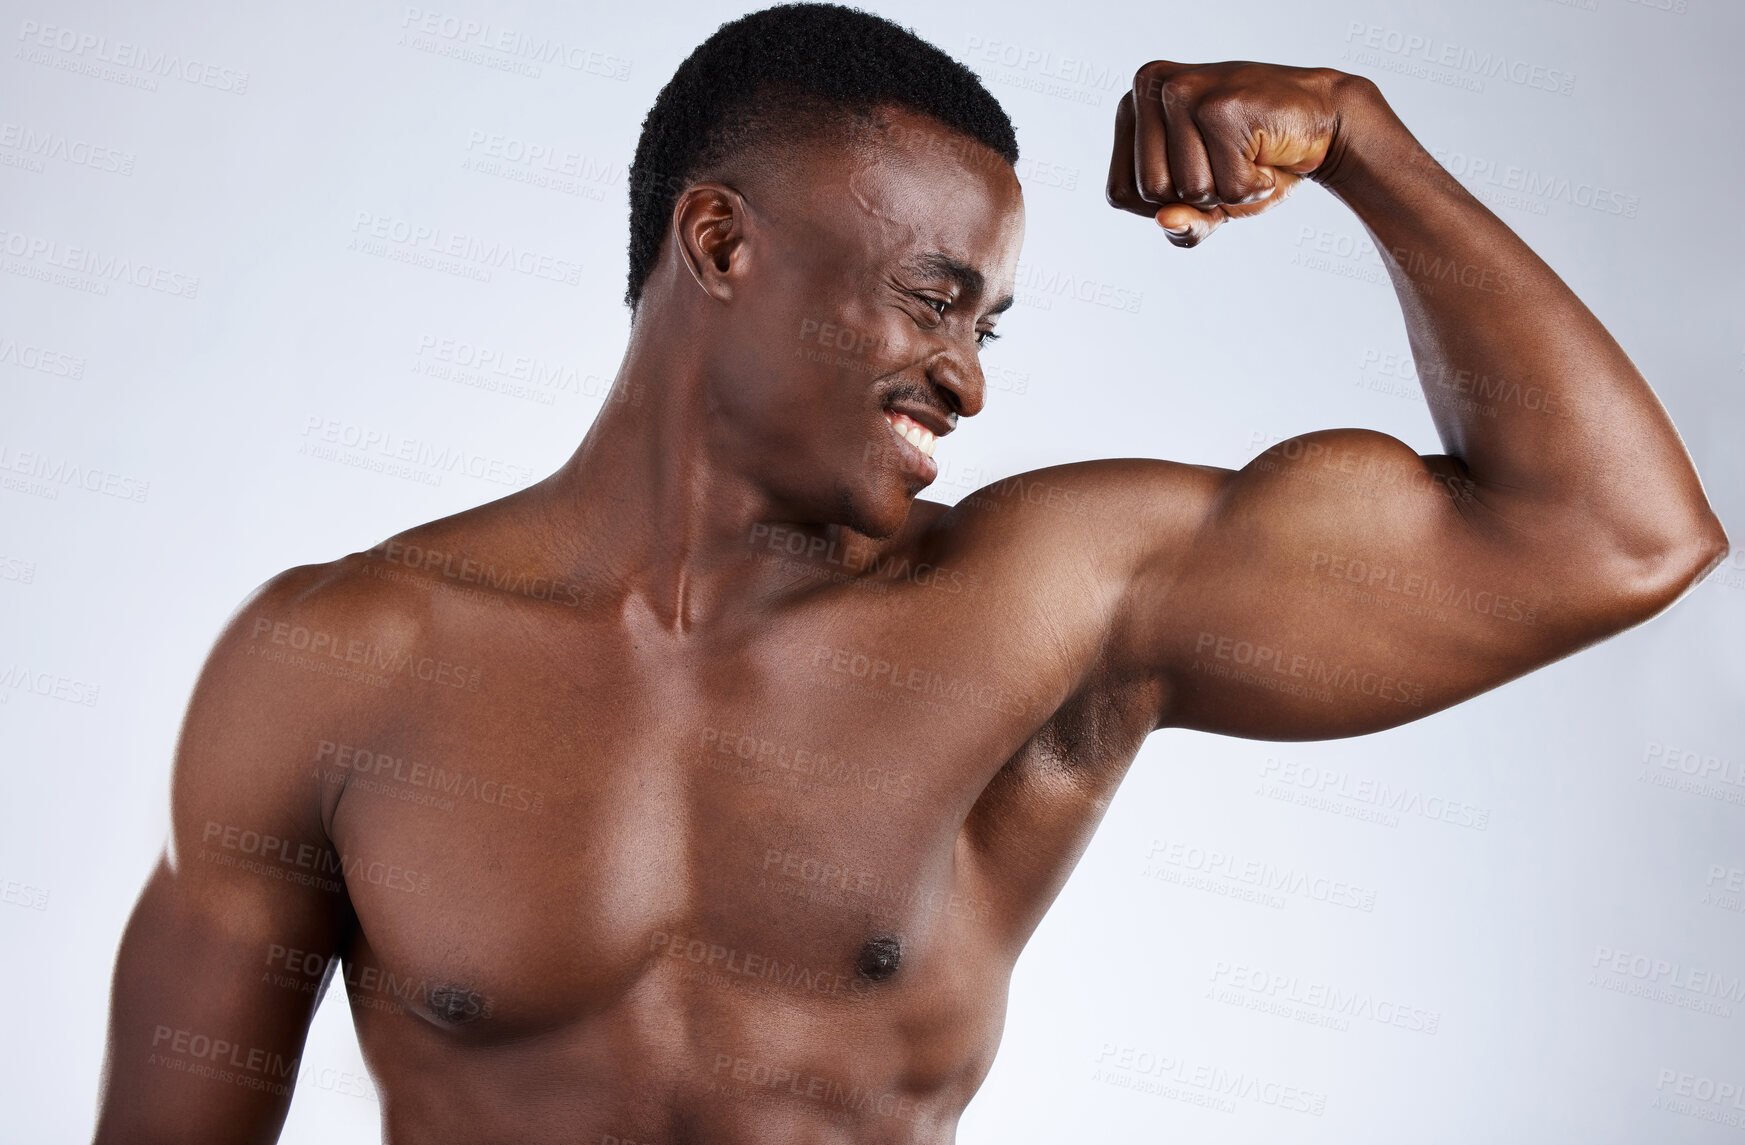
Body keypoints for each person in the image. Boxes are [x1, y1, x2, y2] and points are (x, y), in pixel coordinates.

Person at [92, 4, 1727, 1142]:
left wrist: (1362, 142)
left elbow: (1611, 536)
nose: (968, 377)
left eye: (986, 324)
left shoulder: (1042, 599)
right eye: (934, 299)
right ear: (720, 244)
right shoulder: (337, 658)